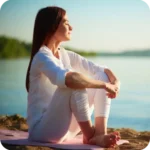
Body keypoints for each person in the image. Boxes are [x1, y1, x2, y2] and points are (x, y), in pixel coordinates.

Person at [25, 6, 121, 148]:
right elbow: (70, 79)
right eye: (66, 22)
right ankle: (90, 135)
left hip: (66, 130)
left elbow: (102, 70)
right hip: (42, 132)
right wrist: (105, 85)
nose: (71, 27)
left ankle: (100, 133)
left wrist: (116, 82)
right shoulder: (42, 56)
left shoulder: (65, 54)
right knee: (73, 82)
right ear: (52, 26)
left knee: (99, 76)